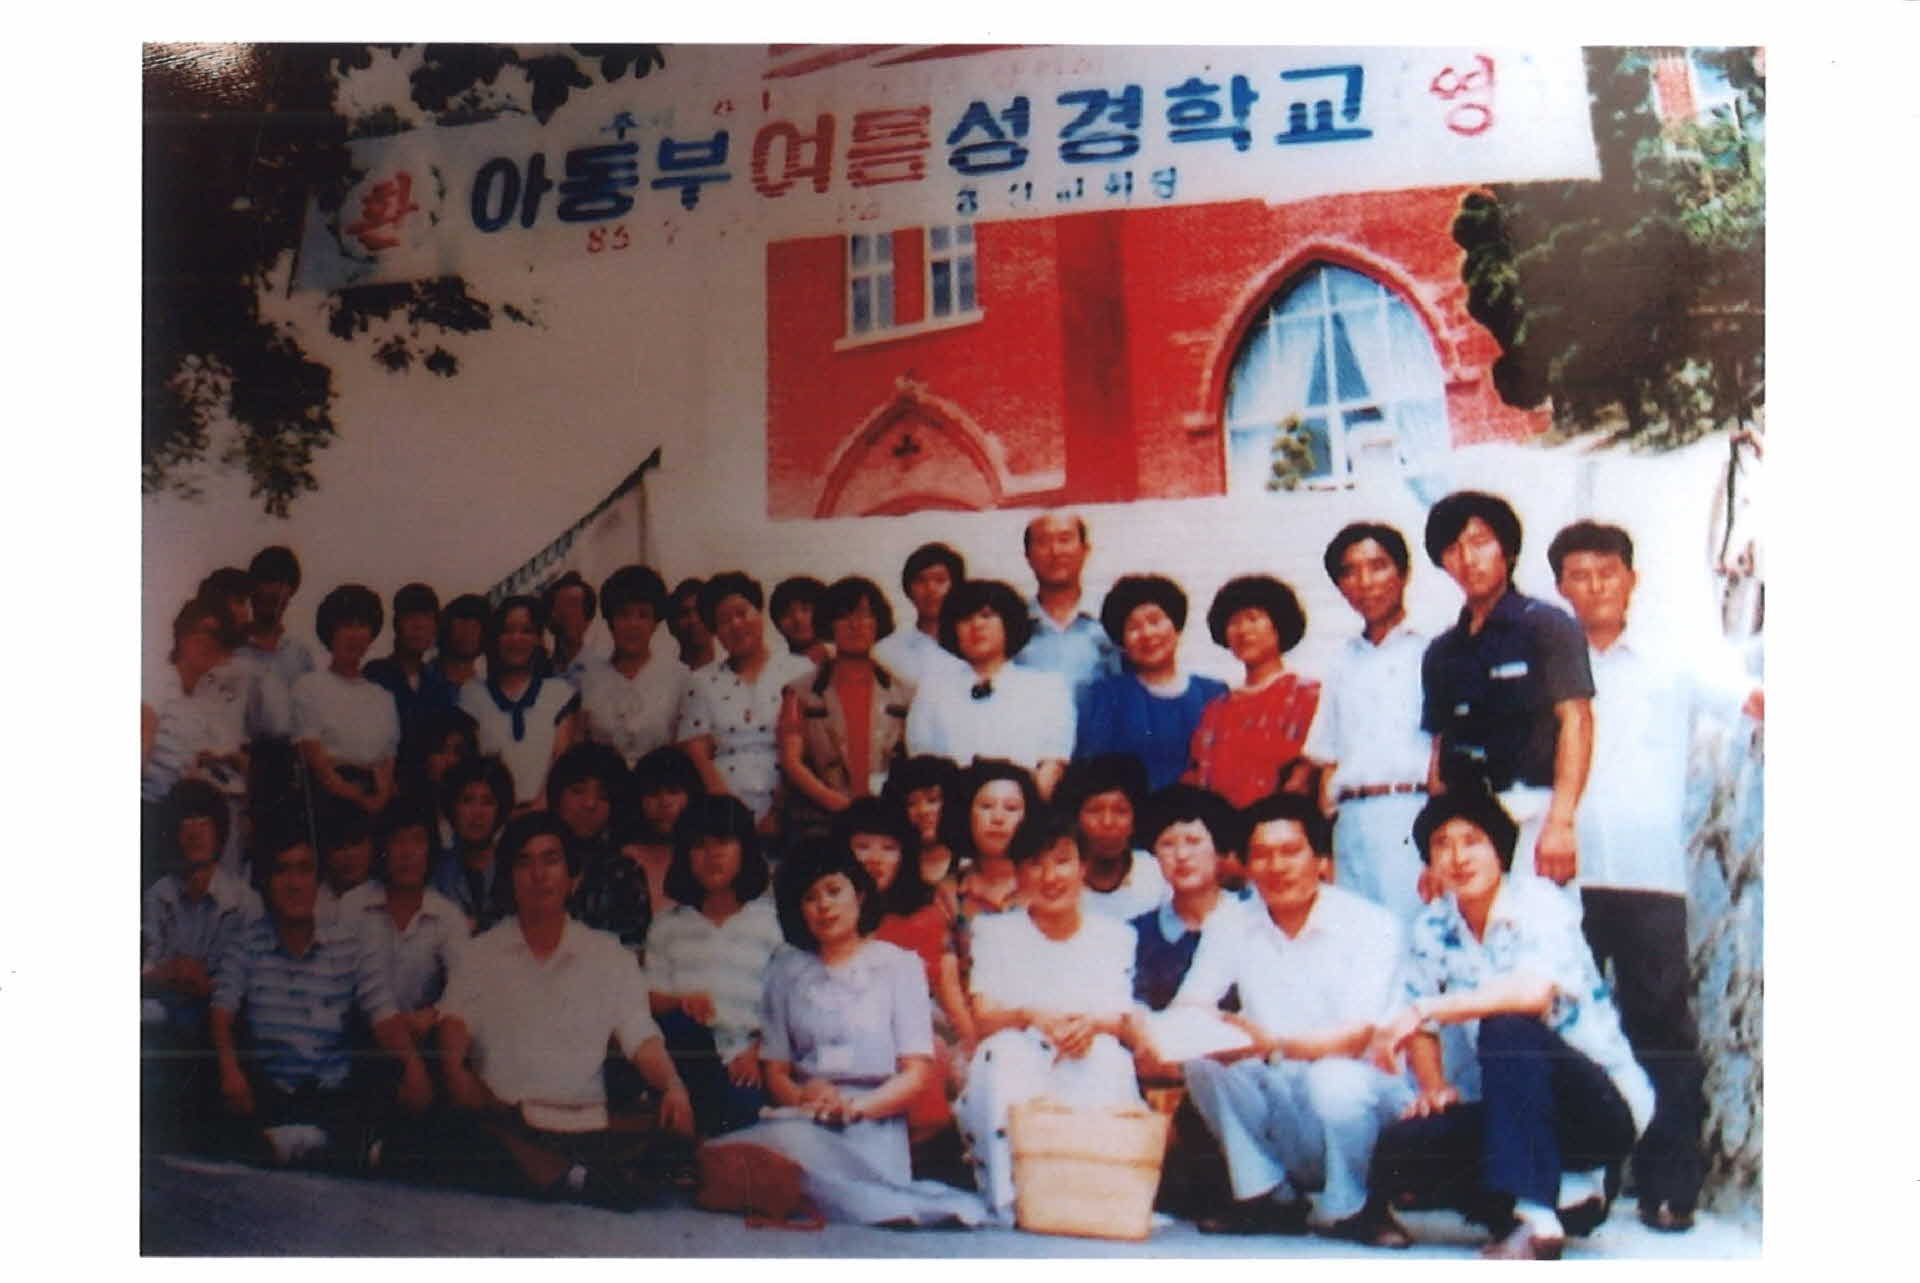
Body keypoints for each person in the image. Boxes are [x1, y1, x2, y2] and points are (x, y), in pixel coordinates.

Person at [1549, 520, 1762, 1231]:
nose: (1594, 587)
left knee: (1660, 1027)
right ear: (1560, 587)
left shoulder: (1673, 657)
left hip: (1650, 876)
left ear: (1630, 579)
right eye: (1578, 576)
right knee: (1568, 1026)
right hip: (1562, 875)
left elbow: (1748, 699)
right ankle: (1581, 1180)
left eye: (1606, 572)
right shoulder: (1550, 663)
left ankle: (1670, 1186)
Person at [1367, 786, 1654, 1260]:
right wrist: (1434, 1087)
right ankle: (1569, 1195)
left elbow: (1531, 995)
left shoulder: (1541, 904)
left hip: (1598, 1107)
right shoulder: (1432, 926)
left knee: (1507, 1026)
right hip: (1517, 1111)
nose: (1458, 857)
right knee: (1406, 1145)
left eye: (1472, 840)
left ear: (1500, 849)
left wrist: (1428, 1010)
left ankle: (1536, 1217)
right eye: (1442, 844)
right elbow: (1419, 1021)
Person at [699, 842, 989, 1225]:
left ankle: (811, 1189)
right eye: (810, 898)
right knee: (736, 1151)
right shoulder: (784, 972)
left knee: (778, 1156)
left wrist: (853, 1109)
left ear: (860, 895)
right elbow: (776, 1071)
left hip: (873, 1121)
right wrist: (806, 1098)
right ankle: (793, 1185)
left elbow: (916, 1074)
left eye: (834, 891)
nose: (824, 906)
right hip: (806, 1113)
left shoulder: (899, 967)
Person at [1170, 793, 1413, 1245]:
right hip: (1281, 1083)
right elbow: (1190, 1006)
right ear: (1245, 865)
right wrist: (1213, 1029)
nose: (1276, 867)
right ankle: (1267, 1196)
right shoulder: (1231, 922)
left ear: (1321, 860)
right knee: (1201, 1057)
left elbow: (1358, 1035)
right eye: (1262, 855)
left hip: (1362, 1092)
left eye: (1290, 851)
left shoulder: (1371, 924)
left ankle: (1356, 1208)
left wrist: (1271, 1045)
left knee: (1334, 1080)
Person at [436, 812, 696, 1207]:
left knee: (667, 1122)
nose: (538, 875)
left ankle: (561, 1173)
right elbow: (453, 1024)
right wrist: (455, 1071)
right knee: (466, 1125)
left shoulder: (608, 955)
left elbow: (640, 1038)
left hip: (585, 1122)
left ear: (574, 877)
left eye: (551, 860)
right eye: (524, 863)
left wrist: (672, 1084)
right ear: (509, 879)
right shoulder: (479, 954)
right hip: (507, 1118)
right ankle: (578, 1177)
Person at [209, 812, 432, 1168]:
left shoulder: (349, 944)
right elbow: (221, 1012)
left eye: (304, 871)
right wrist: (229, 1072)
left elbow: (384, 1015)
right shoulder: (246, 944)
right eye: (282, 871)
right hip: (270, 1088)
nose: (294, 884)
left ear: (318, 881)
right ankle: (329, 1148)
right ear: (266, 881)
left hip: (332, 1092)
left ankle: (302, 1144)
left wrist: (414, 1070)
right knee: (213, 1086)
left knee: (387, 1081)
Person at [953, 807, 1144, 1222]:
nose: (1050, 877)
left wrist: (1092, 1025)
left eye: (1062, 861)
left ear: (1083, 867)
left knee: (1108, 1056)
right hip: (1018, 1052)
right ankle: (1012, 1199)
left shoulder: (1116, 936)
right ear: (1019, 873)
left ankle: (1095, 1195)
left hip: (1084, 1049)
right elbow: (983, 1018)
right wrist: (1028, 1016)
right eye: (1035, 864)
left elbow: (1121, 1018)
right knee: (1006, 1053)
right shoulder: (994, 932)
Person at [1420, 491, 1593, 889]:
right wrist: (1434, 850)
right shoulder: (1442, 651)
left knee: (1539, 921)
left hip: (1533, 815)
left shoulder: (1547, 626)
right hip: (1468, 829)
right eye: (1452, 549)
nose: (1468, 559)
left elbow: (1577, 721)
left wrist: (1561, 822)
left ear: (1507, 550)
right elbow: (1440, 751)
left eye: (1480, 542)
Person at [1303, 523, 1434, 922]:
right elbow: (1327, 758)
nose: (1365, 582)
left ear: (1403, 573)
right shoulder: (1342, 660)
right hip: (1350, 823)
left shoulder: (1432, 648)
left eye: (1378, 567)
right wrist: (1325, 845)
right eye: (1350, 572)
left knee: (1410, 936)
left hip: (1411, 815)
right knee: (1358, 938)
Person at [645, 794, 786, 1136]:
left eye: (723, 842)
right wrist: (680, 1002)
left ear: (745, 849)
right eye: (699, 845)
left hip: (745, 1059)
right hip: (684, 1057)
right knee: (680, 1029)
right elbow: (649, 1000)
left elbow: (787, 1006)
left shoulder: (771, 923)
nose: (712, 855)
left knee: (740, 1101)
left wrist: (758, 1052)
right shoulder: (668, 926)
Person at [834, 797, 974, 1130]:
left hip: (915, 1030)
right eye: (862, 847)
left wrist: (970, 1045)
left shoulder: (923, 916)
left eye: (889, 848)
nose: (875, 859)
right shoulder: (826, 915)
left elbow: (947, 991)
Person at [905, 578, 1075, 798]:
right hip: (951, 809)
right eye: (965, 618)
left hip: (1023, 808)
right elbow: (922, 766)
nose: (977, 625)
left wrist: (1025, 809)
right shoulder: (932, 691)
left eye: (987, 615)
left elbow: (1053, 763)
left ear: (1009, 622)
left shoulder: (1048, 688)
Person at [778, 575, 916, 837]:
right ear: (829, 624)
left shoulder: (904, 694)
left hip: (885, 822)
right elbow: (791, 761)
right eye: (843, 616)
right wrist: (841, 807)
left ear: (878, 622)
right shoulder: (799, 692)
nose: (856, 625)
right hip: (819, 824)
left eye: (865, 615)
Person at [674, 571, 814, 826]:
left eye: (742, 613)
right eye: (724, 621)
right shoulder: (701, 681)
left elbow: (811, 748)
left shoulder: (800, 670)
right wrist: (730, 815)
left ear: (759, 613)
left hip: (792, 807)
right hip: (724, 813)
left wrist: (777, 811)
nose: (736, 625)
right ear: (715, 631)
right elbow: (698, 754)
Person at [1075, 575, 1229, 793]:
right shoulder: (1106, 695)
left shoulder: (1213, 693)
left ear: (1176, 627)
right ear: (1122, 641)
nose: (1147, 634)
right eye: (1133, 627)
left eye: (1155, 621)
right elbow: (1094, 772)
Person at [337, 794, 466, 1041]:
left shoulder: (447, 915)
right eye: (397, 841)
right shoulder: (352, 906)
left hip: (422, 1037)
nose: (408, 852)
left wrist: (434, 1013)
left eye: (418, 840)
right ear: (383, 849)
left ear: (430, 849)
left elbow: (464, 981)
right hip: (358, 1042)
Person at [1185, 575, 1321, 808]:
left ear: (1278, 624)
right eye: (1233, 622)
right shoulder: (1215, 709)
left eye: (1253, 618)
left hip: (1281, 824)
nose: (1243, 630)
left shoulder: (1308, 696)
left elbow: (1311, 774)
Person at [143, 596, 243, 884]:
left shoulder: (204, 697)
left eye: (219, 637)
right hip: (151, 811)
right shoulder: (157, 681)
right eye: (203, 631)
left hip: (186, 817)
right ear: (182, 635)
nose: (209, 642)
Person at [1125, 783, 1246, 1013]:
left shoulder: (1252, 922)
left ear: (1218, 849)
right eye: (1167, 844)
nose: (1181, 855)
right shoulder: (1135, 934)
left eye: (1193, 841)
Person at [458, 595, 581, 811]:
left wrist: (536, 809)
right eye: (507, 630)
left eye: (527, 631)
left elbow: (561, 763)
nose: (516, 639)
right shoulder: (472, 696)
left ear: (538, 639)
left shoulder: (559, 693)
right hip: (489, 818)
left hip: (545, 814)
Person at [291, 584, 401, 819]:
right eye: (346, 625)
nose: (354, 634)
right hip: (328, 804)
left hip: (376, 806)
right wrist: (357, 798)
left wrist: (378, 800)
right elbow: (316, 760)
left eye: (362, 625)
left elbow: (387, 763)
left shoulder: (383, 698)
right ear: (330, 631)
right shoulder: (309, 687)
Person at [576, 565, 689, 769]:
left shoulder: (679, 678)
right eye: (623, 614)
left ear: (655, 622)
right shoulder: (587, 678)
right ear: (610, 620)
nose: (633, 624)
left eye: (643, 615)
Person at [553, 741, 652, 955]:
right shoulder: (527, 860)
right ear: (557, 797)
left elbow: (630, 956)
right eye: (578, 791)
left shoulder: (624, 875)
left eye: (603, 796)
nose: (590, 803)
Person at [1014, 510, 1120, 701]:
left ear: (1085, 550)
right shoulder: (1012, 624)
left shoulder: (1113, 620)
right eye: (1043, 542)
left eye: (1064, 540)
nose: (1055, 551)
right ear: (1027, 556)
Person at [1058, 753, 1167, 922]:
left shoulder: (1155, 875)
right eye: (1094, 810)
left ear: (1135, 820)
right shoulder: (1057, 879)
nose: (1107, 822)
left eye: (1121, 811)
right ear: (1076, 819)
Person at [615, 745, 705, 928]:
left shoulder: (707, 854)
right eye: (653, 793)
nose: (664, 802)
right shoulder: (623, 859)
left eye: (674, 791)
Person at [364, 582, 460, 741]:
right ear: (396, 624)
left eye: (427, 617)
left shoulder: (441, 686)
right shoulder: (375, 675)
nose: (418, 626)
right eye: (410, 617)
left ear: (436, 627)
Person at [430, 755, 516, 932]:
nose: (477, 813)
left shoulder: (514, 869)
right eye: (467, 800)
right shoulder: (436, 873)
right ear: (452, 808)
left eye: (488, 802)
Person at [872, 541, 972, 687]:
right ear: (908, 588)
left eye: (940, 580)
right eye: (920, 580)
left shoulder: (975, 643)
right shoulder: (889, 649)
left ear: (955, 586)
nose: (930, 589)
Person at [881, 754, 963, 921]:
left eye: (932, 800)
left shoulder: (968, 862)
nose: (923, 810)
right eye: (911, 803)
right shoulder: (894, 866)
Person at [239, 545, 320, 690]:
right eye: (267, 581)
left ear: (291, 593)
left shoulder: (301, 655)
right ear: (251, 589)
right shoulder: (231, 648)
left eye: (282, 584)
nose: (273, 591)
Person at [542, 570, 604, 686]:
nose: (561, 613)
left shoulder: (602, 675)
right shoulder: (535, 675)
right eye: (556, 605)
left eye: (570, 606)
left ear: (588, 618)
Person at [770, 574, 833, 665]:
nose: (798, 619)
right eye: (787, 613)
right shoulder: (776, 668)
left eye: (806, 609)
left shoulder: (842, 657)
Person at [433, 593, 491, 691]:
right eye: (463, 623)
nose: (468, 631)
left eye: (475, 626)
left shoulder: (486, 687)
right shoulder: (423, 678)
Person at [667, 576, 718, 672]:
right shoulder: (662, 678)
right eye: (684, 613)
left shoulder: (735, 675)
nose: (694, 620)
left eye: (700, 610)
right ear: (671, 625)